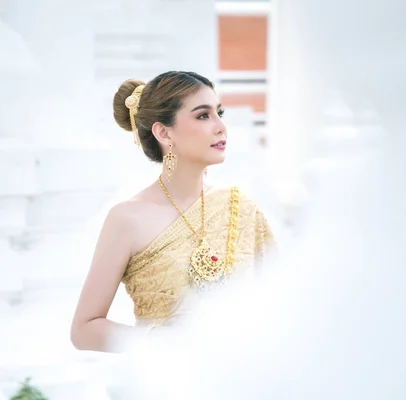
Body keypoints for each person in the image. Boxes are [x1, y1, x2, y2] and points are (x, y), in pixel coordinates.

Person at [70, 71, 275, 352]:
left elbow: (280, 305)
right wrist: (167, 345)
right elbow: (84, 330)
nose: (221, 127)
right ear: (164, 132)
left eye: (220, 113)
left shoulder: (241, 207)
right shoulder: (128, 219)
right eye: (203, 115)